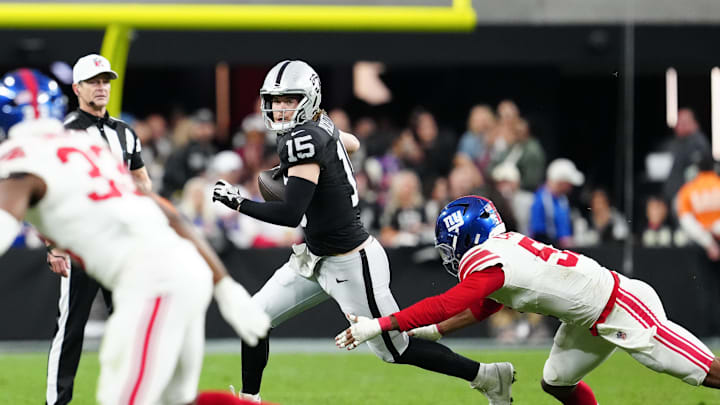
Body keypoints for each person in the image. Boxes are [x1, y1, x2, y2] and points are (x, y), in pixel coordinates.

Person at [211, 60, 514, 404]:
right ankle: (249, 399)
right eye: (276, 100)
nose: (280, 109)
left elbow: (291, 213)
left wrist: (237, 202)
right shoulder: (320, 126)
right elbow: (350, 142)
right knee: (254, 319)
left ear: (308, 98)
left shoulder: (303, 138)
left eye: (289, 100)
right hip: (313, 258)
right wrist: (326, 155)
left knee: (393, 349)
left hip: (351, 264)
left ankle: (487, 376)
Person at [0, 68, 270, 405]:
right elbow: (166, 212)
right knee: (175, 400)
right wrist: (225, 286)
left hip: (152, 282)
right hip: (187, 270)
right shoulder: (88, 147)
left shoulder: (19, 159)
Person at [336, 195, 720, 405]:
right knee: (555, 382)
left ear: (464, 238)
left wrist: (380, 324)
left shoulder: (487, 261)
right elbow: (485, 306)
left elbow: (448, 302)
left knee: (701, 371)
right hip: (588, 319)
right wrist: (434, 333)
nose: (449, 254)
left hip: (622, 306)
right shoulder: (502, 252)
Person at [45, 53, 152, 405]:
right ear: (77, 88)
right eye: (93, 81)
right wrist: (55, 244)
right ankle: (56, 401)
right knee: (72, 328)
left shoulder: (124, 132)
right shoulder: (65, 133)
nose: (102, 87)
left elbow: (141, 180)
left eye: (105, 81)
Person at [529, 158, 584, 247]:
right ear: (561, 182)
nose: (571, 187)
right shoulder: (540, 200)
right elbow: (537, 234)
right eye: (568, 183)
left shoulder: (562, 199)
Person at [676, 153, 720, 262]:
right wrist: (715, 228)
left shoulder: (687, 190)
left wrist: (708, 242)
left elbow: (686, 220)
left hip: (700, 245)